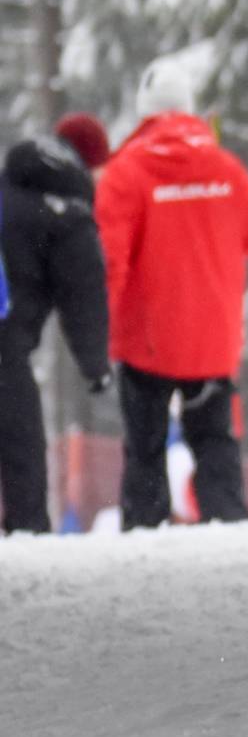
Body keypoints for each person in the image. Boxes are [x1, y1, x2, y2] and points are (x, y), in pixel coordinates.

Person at [97, 58, 248, 529]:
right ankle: (229, 528)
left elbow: (108, 259)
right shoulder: (224, 167)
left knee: (145, 447)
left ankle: (144, 532)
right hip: (212, 339)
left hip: (146, 340)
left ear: (145, 111)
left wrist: (98, 328)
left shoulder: (126, 172)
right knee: (216, 442)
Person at [0, 115, 112, 533]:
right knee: (21, 445)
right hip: (4, 340)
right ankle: (27, 536)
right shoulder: (68, 214)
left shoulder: (8, 184)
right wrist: (96, 368)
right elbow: (84, 297)